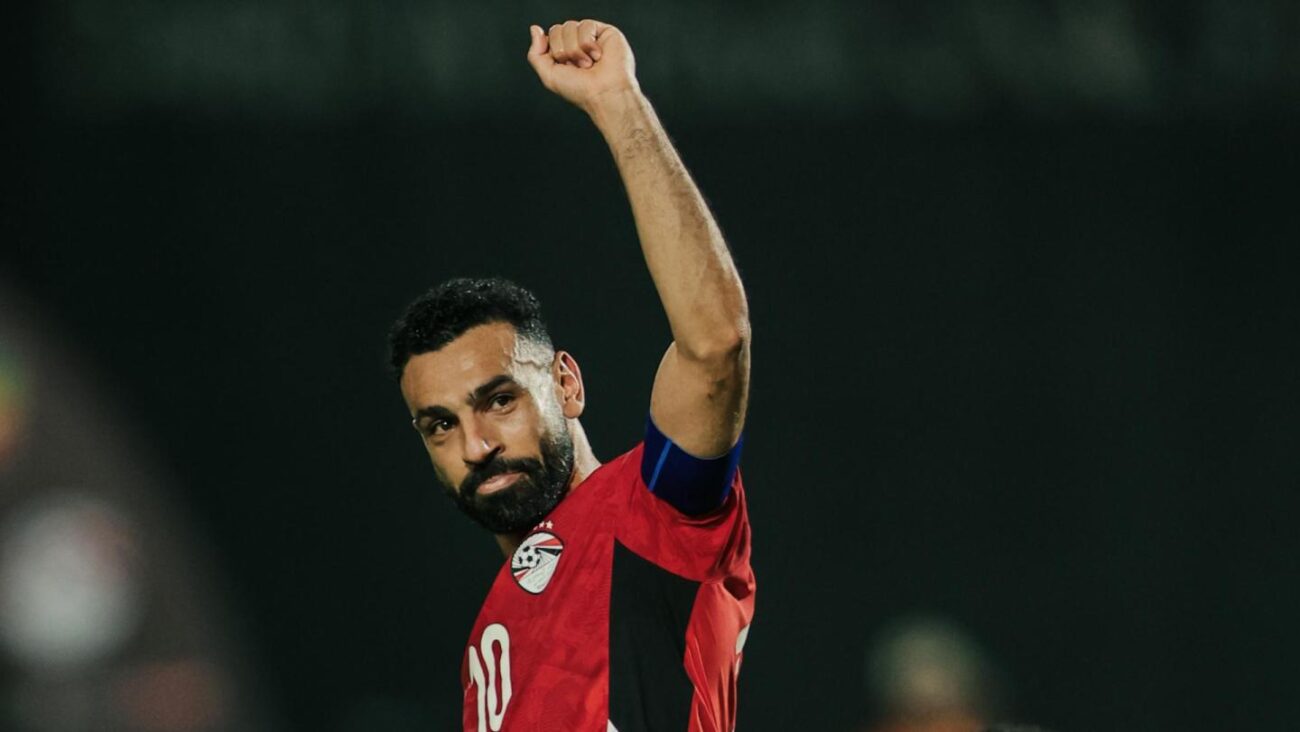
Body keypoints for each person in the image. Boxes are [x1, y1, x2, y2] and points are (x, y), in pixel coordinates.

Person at [387, 19, 754, 732]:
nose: (476, 445)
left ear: (566, 385)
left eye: (499, 400)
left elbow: (715, 344)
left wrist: (618, 102)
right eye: (442, 425)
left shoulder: (653, 513)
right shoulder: (489, 640)